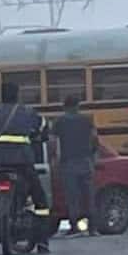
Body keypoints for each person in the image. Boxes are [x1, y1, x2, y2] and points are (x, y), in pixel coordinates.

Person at [0, 82, 51, 254]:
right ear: (17, 94)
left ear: (1, 95)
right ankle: (42, 242)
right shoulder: (27, 112)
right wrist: (38, 137)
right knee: (40, 200)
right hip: (23, 162)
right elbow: (44, 127)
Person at [51, 95, 100, 237]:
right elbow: (95, 138)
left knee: (72, 196)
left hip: (68, 163)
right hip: (86, 162)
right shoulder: (87, 120)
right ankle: (92, 228)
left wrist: (54, 159)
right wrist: (92, 153)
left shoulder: (59, 122)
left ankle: (75, 227)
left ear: (65, 106)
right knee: (89, 195)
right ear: (78, 106)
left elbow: (53, 142)